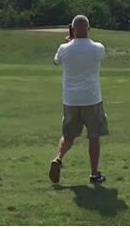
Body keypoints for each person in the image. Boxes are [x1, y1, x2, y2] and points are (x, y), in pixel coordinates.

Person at [49, 15, 109, 184]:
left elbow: (55, 62)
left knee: (68, 135)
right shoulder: (98, 48)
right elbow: (97, 55)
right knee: (94, 136)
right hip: (92, 98)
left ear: (73, 29)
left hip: (70, 100)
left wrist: (69, 41)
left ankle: (58, 158)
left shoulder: (64, 48)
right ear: (89, 29)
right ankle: (94, 173)